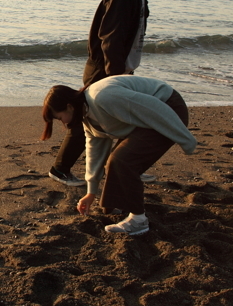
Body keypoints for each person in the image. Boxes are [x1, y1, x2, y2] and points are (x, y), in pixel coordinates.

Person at [48, 0, 165, 188]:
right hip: (105, 69)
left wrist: (126, 71)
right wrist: (117, 77)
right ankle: (60, 169)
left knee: (124, 119)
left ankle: (127, 164)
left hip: (120, 68)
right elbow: (109, 38)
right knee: (86, 121)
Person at [41, 75, 196, 235]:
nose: (63, 123)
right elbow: (95, 151)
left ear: (69, 107)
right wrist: (91, 192)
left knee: (122, 161)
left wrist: (184, 138)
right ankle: (116, 206)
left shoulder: (102, 96)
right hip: (148, 119)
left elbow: (153, 107)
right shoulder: (86, 116)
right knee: (114, 163)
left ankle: (138, 220)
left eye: (60, 118)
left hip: (168, 110)